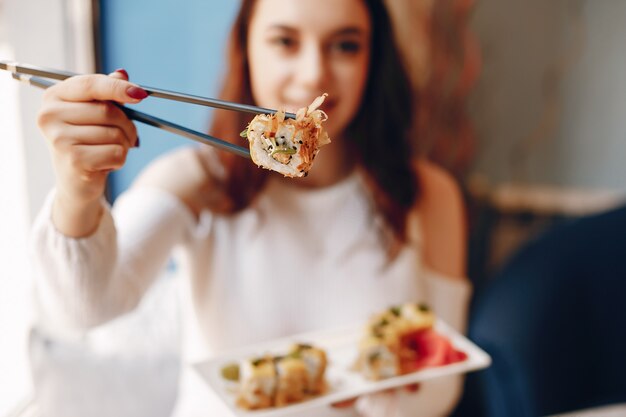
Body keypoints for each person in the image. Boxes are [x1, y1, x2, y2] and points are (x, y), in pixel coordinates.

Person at [32, 0, 471, 415]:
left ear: (373, 61)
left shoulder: (428, 195)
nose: (314, 73)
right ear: (246, 48)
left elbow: (444, 385)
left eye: (345, 45)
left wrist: (386, 396)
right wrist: (79, 189)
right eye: (285, 41)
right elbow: (84, 311)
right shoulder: (196, 181)